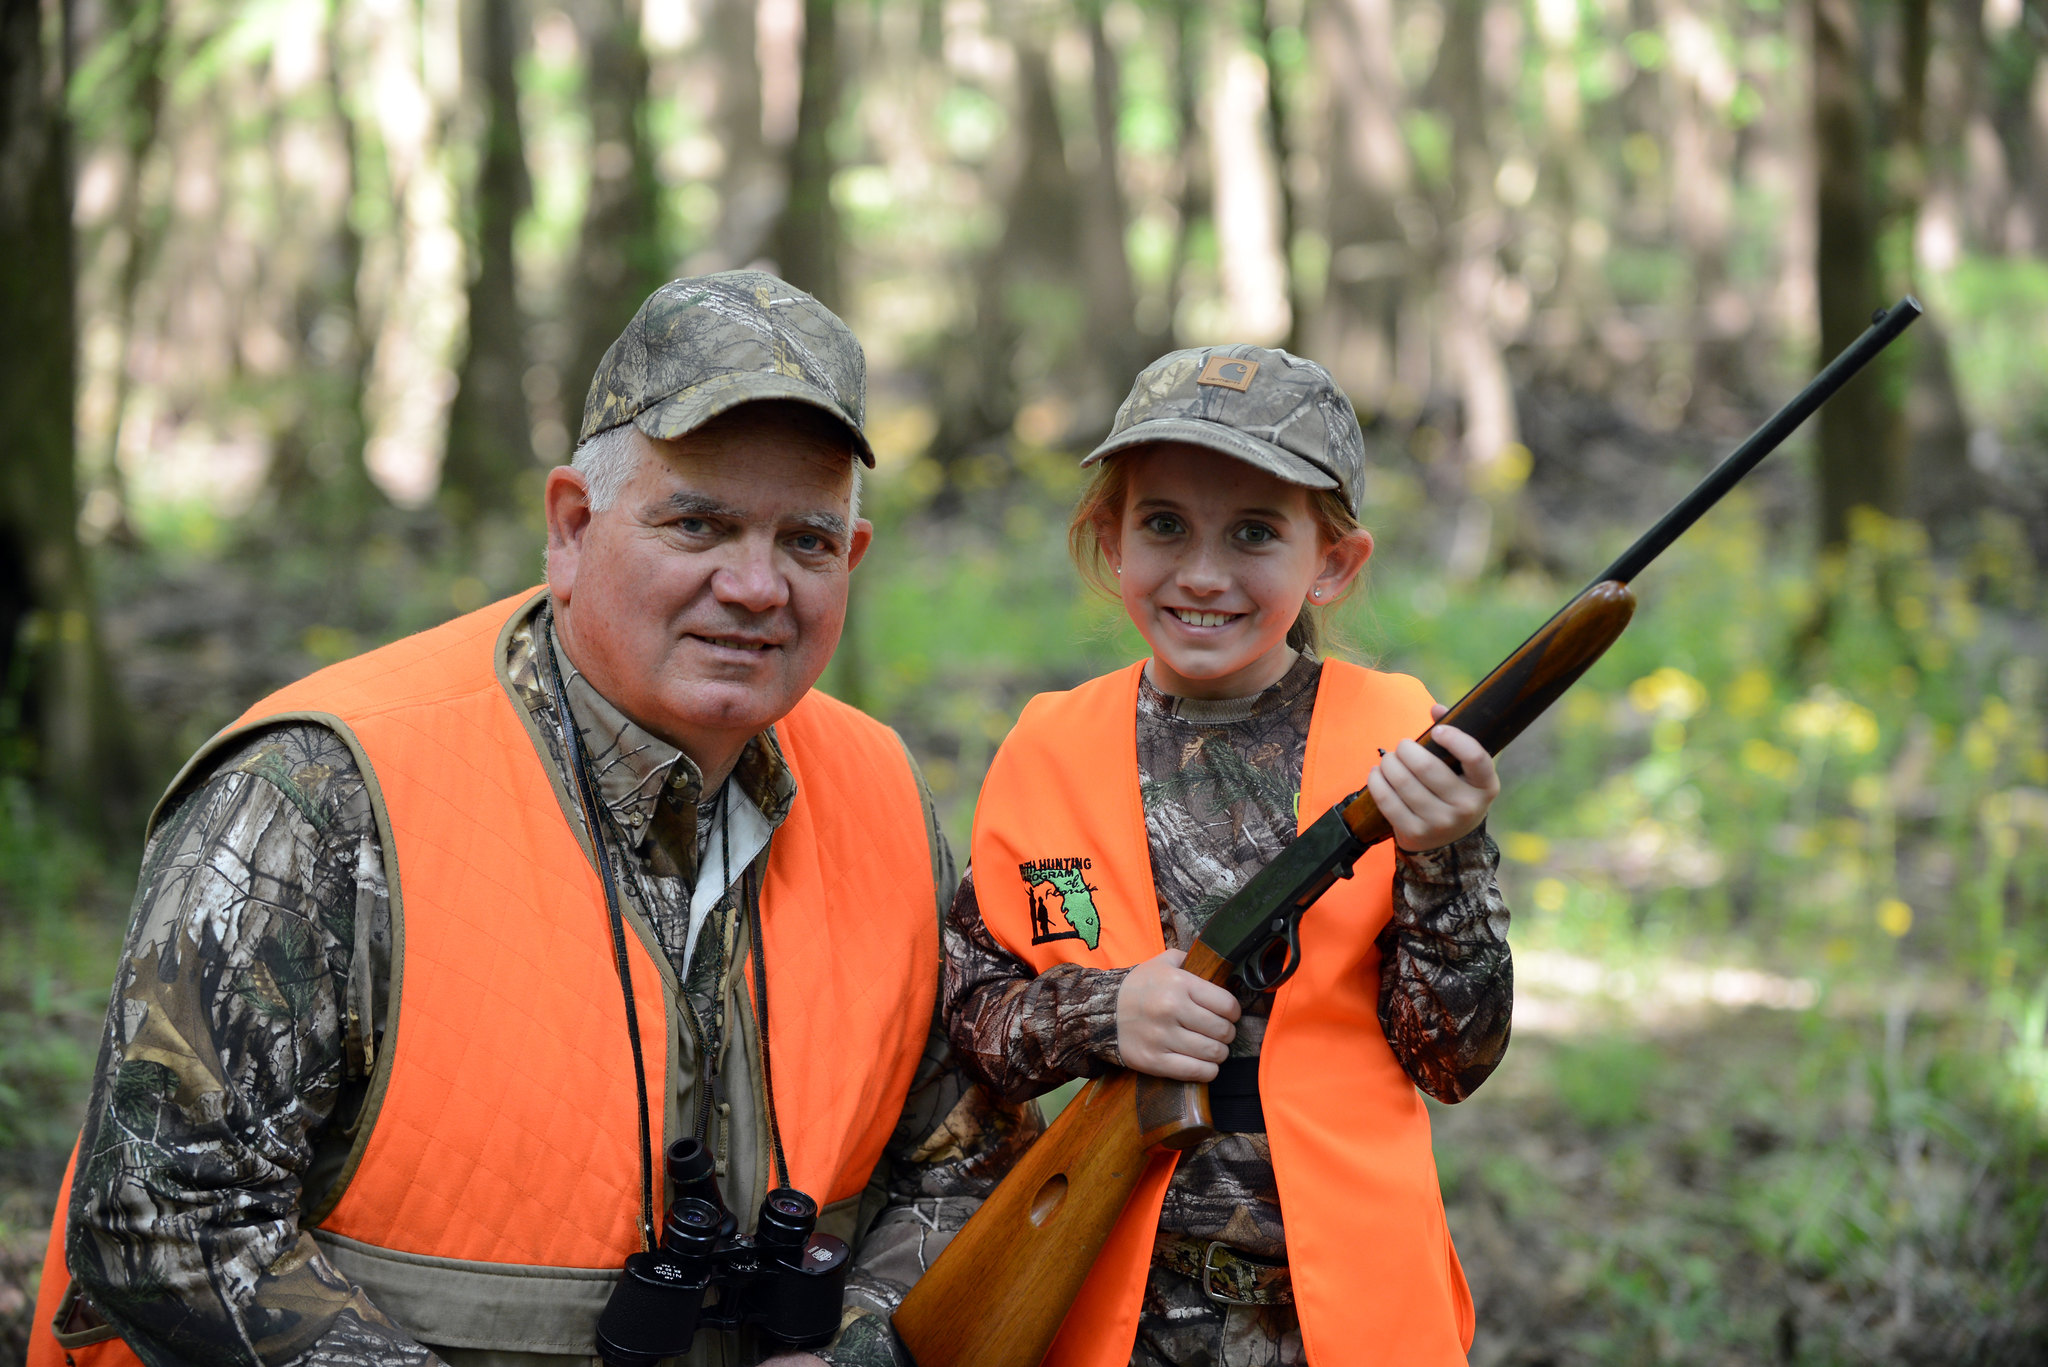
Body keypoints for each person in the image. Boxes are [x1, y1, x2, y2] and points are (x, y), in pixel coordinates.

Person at [29, 271, 1037, 1367]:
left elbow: (964, 1157)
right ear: (570, 526)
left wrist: (857, 1346)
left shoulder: (882, 791)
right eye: (697, 523)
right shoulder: (320, 793)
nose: (754, 585)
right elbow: (163, 1223)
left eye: (803, 540)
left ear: (850, 561)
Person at [943, 346, 1515, 1366]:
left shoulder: (1401, 744)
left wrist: (1448, 856)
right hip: (1107, 1305)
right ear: (1110, 540)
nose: (1201, 573)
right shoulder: (1049, 746)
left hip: (1348, 1313)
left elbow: (1452, 1059)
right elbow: (973, 1017)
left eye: (1253, 532)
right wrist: (1103, 1010)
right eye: (1163, 524)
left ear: (1332, 562)